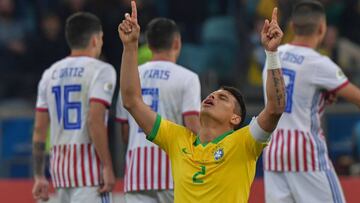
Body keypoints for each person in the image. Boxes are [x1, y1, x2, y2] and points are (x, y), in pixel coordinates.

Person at [118, 2, 285, 202]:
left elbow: (275, 109)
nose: (212, 96)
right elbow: (131, 101)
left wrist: (272, 54)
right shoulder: (178, 139)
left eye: (222, 98)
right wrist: (129, 47)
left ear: (235, 118)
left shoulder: (244, 143)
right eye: (212, 94)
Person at [262, 1, 360, 203]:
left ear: (291, 27)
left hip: (273, 149)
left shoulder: (273, 54)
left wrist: (320, 97)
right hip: (305, 150)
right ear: (322, 28)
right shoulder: (319, 63)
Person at [32, 12, 116, 202]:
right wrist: (108, 167)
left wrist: (39, 175)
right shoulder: (101, 70)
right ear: (95, 40)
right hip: (91, 176)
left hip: (60, 176)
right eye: (101, 38)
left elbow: (39, 129)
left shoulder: (50, 74)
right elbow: (94, 121)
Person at [116, 17, 201, 202]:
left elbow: (124, 131)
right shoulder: (188, 78)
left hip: (136, 174)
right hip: (174, 174)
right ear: (177, 42)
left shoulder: (129, 77)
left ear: (149, 44)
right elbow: (193, 126)